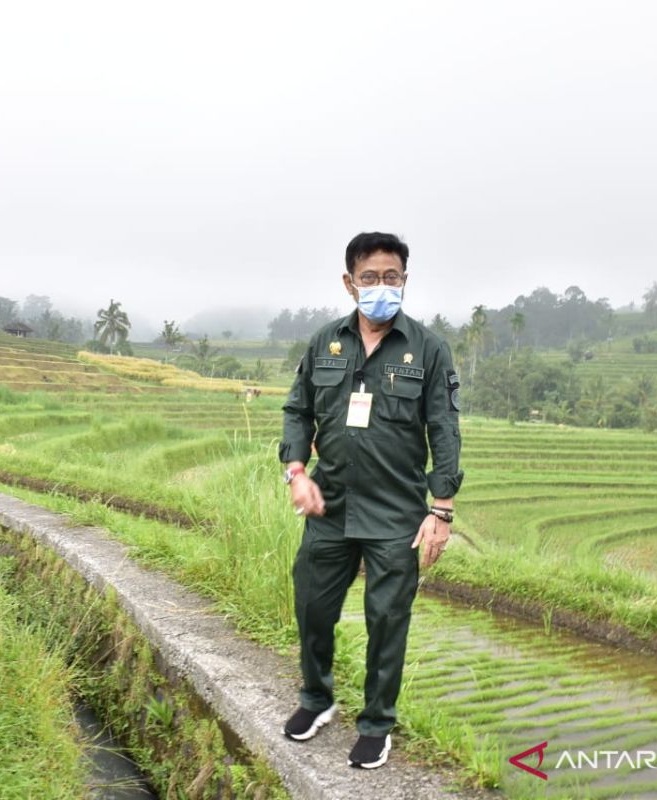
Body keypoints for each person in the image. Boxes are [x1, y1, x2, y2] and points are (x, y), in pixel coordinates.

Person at [278, 231, 463, 769]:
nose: (381, 286)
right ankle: (316, 700)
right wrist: (296, 472)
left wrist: (442, 508)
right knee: (312, 606)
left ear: (404, 281)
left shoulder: (427, 349)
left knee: (386, 619)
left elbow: (444, 428)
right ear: (349, 282)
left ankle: (377, 724)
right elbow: (298, 411)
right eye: (370, 277)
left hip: (395, 513)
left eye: (391, 277)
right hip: (328, 504)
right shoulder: (324, 342)